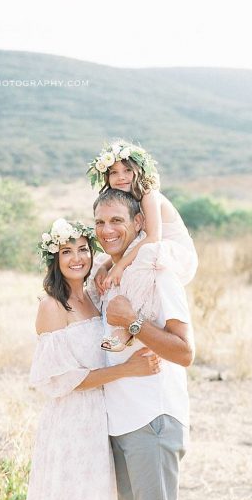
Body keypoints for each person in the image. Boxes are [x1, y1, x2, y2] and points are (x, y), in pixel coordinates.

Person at [4, 218, 162, 500]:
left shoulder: (95, 296)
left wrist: (118, 264)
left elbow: (143, 244)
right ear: (54, 260)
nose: (76, 258)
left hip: (99, 422)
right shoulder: (51, 307)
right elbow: (62, 381)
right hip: (70, 426)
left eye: (82, 249)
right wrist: (129, 370)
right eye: (66, 251)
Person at [92, 189, 195, 500]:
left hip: (153, 418)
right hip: (119, 422)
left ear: (139, 223)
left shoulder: (158, 272)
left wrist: (131, 320)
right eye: (99, 222)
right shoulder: (109, 276)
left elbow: (184, 351)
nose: (107, 230)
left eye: (117, 220)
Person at [85, 140, 198, 351]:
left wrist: (119, 267)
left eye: (127, 170)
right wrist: (107, 266)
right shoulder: (127, 201)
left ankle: (127, 328)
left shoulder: (149, 194)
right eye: (114, 172)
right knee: (102, 264)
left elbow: (153, 237)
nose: (121, 177)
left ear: (140, 171)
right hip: (150, 249)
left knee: (139, 258)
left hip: (175, 253)